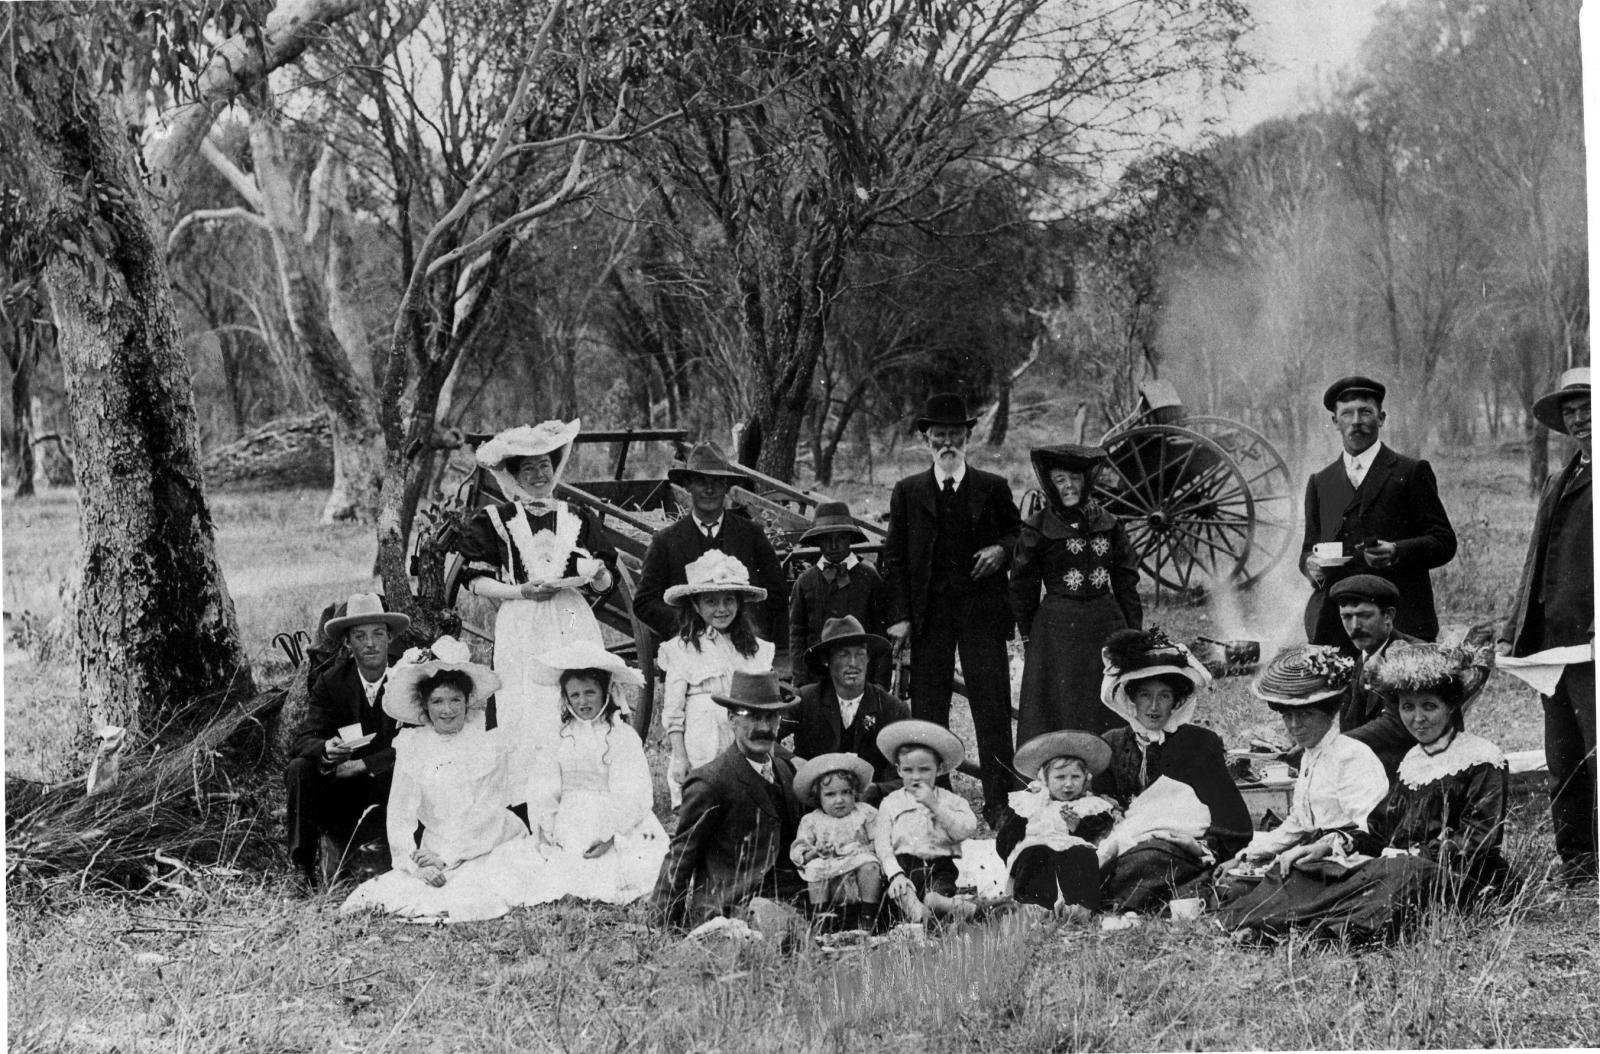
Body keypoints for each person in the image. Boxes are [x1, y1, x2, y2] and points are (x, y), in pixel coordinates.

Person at [1218, 642, 1507, 942]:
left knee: (1400, 872)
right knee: (1313, 868)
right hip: (1401, 868)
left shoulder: (1481, 757)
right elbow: (1380, 829)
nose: (1417, 718)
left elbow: (1479, 839)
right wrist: (1331, 844)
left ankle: (1320, 933)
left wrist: (1413, 855)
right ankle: (1269, 924)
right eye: (1407, 707)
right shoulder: (1413, 760)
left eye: (1429, 706)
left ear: (1451, 706)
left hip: (1460, 877)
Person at [881, 393, 1022, 822]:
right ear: (926, 439)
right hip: (930, 617)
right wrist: (900, 617)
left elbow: (1019, 537)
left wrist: (1001, 550)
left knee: (991, 707)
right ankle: (936, 798)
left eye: (955, 435)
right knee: (929, 710)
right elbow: (894, 559)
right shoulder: (908, 491)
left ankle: (1000, 801)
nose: (947, 443)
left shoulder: (992, 487)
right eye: (939, 435)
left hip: (982, 613)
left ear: (967, 438)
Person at [454, 419, 618, 750]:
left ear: (555, 468)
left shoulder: (577, 516)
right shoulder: (497, 519)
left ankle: (582, 759)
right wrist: (520, 591)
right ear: (515, 475)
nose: (539, 475)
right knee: (523, 693)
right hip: (521, 617)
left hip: (570, 615)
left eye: (544, 465)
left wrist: (599, 574)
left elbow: (605, 584)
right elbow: (473, 580)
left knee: (576, 679)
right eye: (528, 468)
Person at [339, 637, 526, 922]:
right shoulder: (412, 745)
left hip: (489, 839)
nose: (447, 710)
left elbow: (488, 812)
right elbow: (400, 815)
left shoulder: (488, 745)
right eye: (437, 701)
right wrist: (416, 863)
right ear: (425, 705)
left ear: (468, 702)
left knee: (476, 893)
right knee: (400, 892)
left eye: (455, 700)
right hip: (435, 844)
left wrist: (447, 857)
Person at [1501, 367, 1595, 887]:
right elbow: (1535, 561)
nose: (1580, 419)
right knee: (1563, 755)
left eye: (1588, 408)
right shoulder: (1561, 480)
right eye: (1571, 412)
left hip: (1591, 645)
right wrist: (1513, 627)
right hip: (1554, 646)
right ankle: (1577, 861)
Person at [1091, 629, 1252, 914]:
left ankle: (1108, 898)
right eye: (1145, 695)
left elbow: (1231, 819)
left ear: (1177, 701)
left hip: (1174, 846)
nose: (1154, 706)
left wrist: (1198, 846)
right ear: (1131, 698)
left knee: (1150, 860)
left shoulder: (1200, 743)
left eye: (1164, 696)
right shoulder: (1112, 743)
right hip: (1121, 842)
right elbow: (1096, 806)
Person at [1214, 645, 1390, 900]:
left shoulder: (1351, 755)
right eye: (1288, 716)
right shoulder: (1310, 755)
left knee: (1250, 897)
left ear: (1330, 712)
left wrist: (1325, 845)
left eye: (1305, 714)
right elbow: (1297, 824)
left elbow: (1371, 832)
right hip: (1311, 856)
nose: (1295, 725)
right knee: (1231, 888)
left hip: (1347, 863)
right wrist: (1244, 857)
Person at [501, 642, 667, 906]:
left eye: (590, 692)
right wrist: (549, 826)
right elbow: (544, 785)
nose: (582, 701)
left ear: (605, 692)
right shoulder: (558, 735)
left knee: (626, 863)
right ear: (565, 698)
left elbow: (633, 792)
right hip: (570, 817)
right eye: (575, 695)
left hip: (611, 815)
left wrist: (612, 834)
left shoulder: (621, 736)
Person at [1300, 376, 1457, 645]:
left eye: (1365, 412)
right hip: (1336, 626)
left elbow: (1444, 542)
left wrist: (1396, 551)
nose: (1356, 421)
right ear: (1335, 422)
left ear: (1381, 418)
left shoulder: (1410, 471)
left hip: (1401, 622)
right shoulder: (1321, 482)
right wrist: (1310, 566)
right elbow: (1308, 550)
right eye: (1347, 413)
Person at [649, 671, 807, 937]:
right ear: (731, 719)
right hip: (733, 903)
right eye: (752, 717)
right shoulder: (711, 781)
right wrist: (661, 926)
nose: (763, 727)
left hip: (791, 896)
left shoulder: (786, 771)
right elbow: (681, 855)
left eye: (771, 717)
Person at [1011, 444, 1142, 740]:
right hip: (1056, 630)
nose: (1068, 486)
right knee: (1058, 704)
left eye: (1075, 478)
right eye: (1060, 480)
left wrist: (1133, 633)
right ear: (1050, 484)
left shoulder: (1109, 524)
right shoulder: (1037, 528)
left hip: (1105, 625)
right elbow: (1022, 587)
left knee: (1105, 701)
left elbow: (1126, 582)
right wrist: (1031, 635)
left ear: (1086, 481)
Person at [285, 593, 410, 888]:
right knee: (300, 768)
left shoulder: (407, 676)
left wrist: (364, 764)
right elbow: (304, 738)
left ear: (390, 637)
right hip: (347, 796)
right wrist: (326, 750)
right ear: (347, 642)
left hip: (396, 789)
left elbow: (421, 741)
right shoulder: (332, 681)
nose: (370, 644)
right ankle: (302, 869)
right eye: (360, 636)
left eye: (378, 633)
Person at [633, 442, 788, 644]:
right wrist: (691, 625)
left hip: (744, 644)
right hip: (689, 646)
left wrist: (741, 623)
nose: (709, 489)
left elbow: (777, 592)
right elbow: (644, 602)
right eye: (701, 481)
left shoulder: (751, 534)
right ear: (687, 485)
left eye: (717, 481)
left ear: (726, 486)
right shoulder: (665, 540)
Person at [657, 551, 777, 808]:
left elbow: (767, 703)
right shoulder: (681, 649)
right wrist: (680, 757)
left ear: (739, 603)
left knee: (747, 804)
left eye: (729, 600)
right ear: (696, 605)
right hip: (704, 743)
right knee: (706, 804)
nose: (721, 609)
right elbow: (674, 712)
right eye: (711, 601)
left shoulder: (755, 649)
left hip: (744, 737)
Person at [784, 616, 911, 805]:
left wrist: (877, 790)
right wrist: (793, 760)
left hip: (873, 810)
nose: (853, 663)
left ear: (868, 658)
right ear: (826, 660)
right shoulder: (805, 699)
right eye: (843, 655)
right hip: (813, 808)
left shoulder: (892, 708)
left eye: (860, 654)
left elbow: (910, 774)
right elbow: (766, 738)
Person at [995, 730, 1119, 921]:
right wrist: (1020, 839)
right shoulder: (1031, 804)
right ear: (1045, 779)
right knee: (1035, 854)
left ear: (1086, 778)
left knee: (1079, 854)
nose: (1068, 784)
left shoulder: (1092, 806)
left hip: (1075, 860)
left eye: (1075, 777)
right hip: (1037, 857)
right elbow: (1005, 839)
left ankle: (1076, 907)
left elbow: (1105, 837)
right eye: (1060, 777)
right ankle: (1033, 905)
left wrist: (1079, 827)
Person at [873, 719, 981, 925]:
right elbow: (882, 844)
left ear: (939, 770)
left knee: (933, 897)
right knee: (903, 893)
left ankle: (968, 910)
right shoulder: (891, 802)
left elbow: (965, 829)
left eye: (924, 770)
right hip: (903, 867)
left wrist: (935, 806)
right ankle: (924, 920)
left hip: (938, 867)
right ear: (898, 770)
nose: (916, 777)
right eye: (908, 770)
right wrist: (895, 874)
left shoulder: (948, 800)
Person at [1321, 574, 1422, 780]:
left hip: (1412, 774)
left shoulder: (1413, 655)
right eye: (1346, 617)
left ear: (1388, 616)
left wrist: (1334, 746)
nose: (1355, 626)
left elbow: (1398, 725)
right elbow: (1350, 721)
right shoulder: (1362, 659)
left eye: (1364, 615)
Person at [788, 501, 890, 688]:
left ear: (850, 539)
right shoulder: (805, 581)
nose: (833, 545)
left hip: (861, 676)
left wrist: (880, 682)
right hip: (817, 680)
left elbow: (880, 633)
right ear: (818, 541)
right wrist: (801, 683)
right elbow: (797, 635)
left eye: (841, 538)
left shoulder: (869, 578)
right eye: (826, 539)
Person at [789, 753, 883, 932]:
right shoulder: (812, 820)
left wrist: (864, 849)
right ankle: (821, 921)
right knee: (814, 868)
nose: (839, 800)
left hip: (858, 864)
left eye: (846, 792)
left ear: (854, 792)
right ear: (818, 797)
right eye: (830, 794)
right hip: (829, 869)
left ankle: (868, 917)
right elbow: (800, 855)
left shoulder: (864, 813)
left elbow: (880, 840)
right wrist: (817, 851)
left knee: (870, 864)